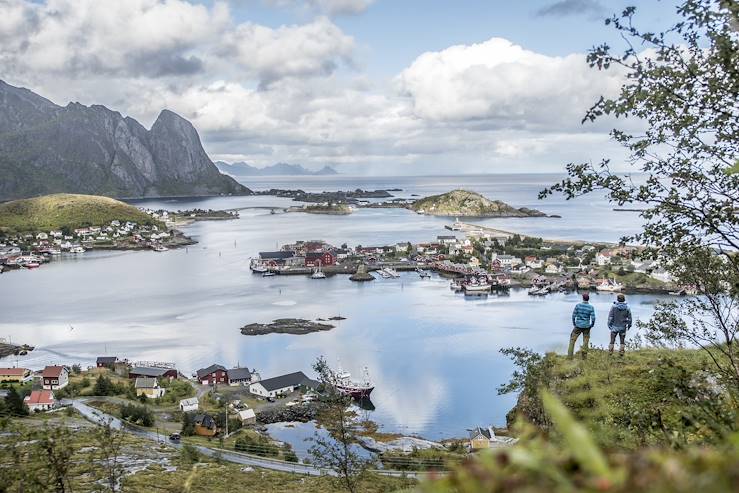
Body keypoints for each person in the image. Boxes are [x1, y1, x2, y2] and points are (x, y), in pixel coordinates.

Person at [568, 292, 596, 359]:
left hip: (578, 325)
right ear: (588, 299)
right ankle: (584, 357)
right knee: (586, 341)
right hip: (586, 326)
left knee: (572, 340)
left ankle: (570, 356)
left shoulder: (578, 306)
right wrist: (592, 325)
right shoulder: (591, 307)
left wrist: (574, 323)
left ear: (583, 298)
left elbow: (573, 315)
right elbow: (593, 318)